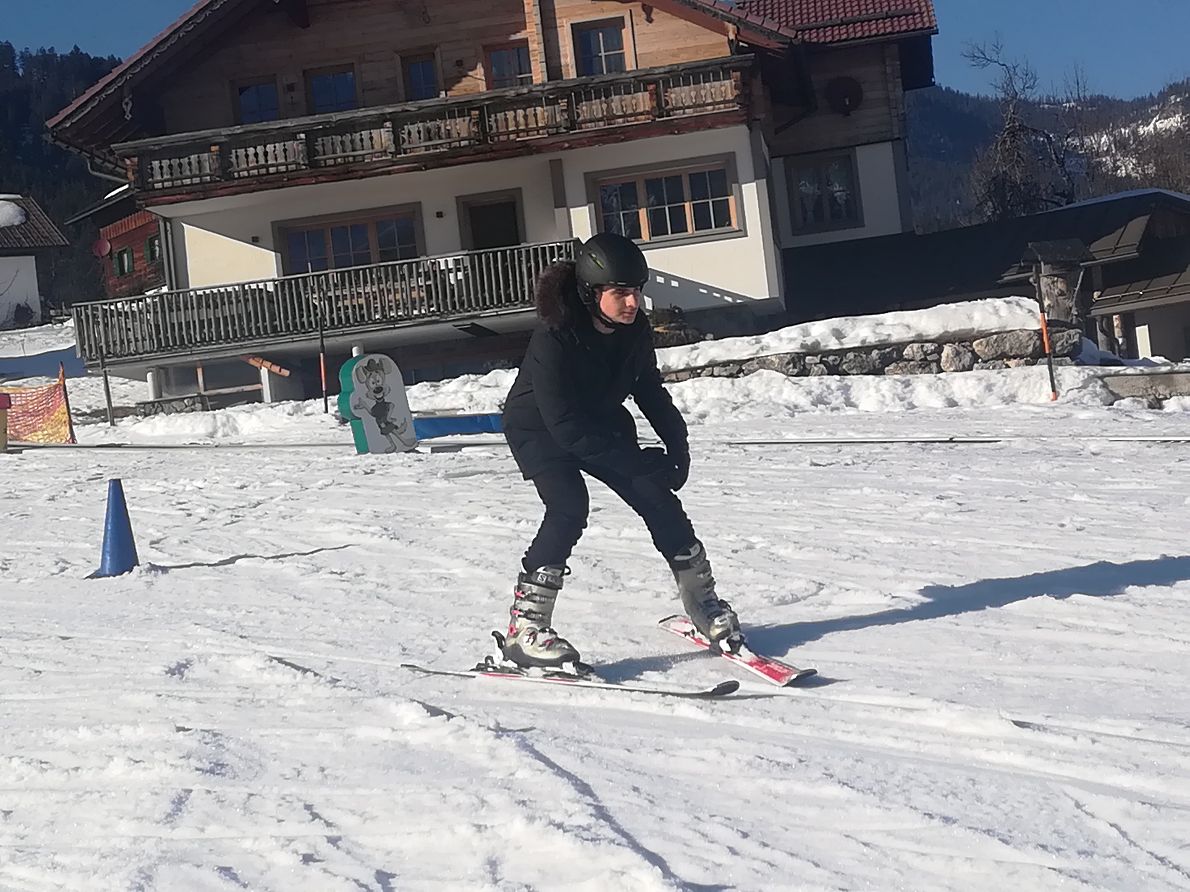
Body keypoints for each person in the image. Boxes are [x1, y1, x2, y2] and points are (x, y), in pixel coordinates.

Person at [499, 232, 740, 669]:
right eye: (621, 293)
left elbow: (648, 388)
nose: (633, 303)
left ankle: (703, 603)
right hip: (540, 428)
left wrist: (677, 445)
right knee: (569, 506)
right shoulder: (554, 335)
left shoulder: (634, 330)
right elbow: (565, 427)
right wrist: (636, 460)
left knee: (655, 496)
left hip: (598, 418)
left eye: (637, 292)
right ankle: (525, 628)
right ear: (592, 293)